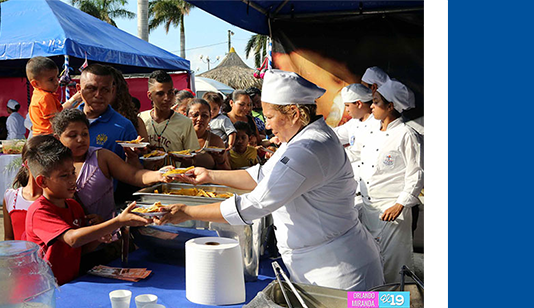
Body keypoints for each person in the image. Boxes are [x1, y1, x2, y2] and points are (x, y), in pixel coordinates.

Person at [156, 69, 384, 291]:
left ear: (294, 112)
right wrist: (210, 175)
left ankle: (402, 302)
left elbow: (256, 203)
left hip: (341, 274)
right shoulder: (298, 140)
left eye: (270, 116)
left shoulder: (308, 148)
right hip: (322, 265)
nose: (267, 125)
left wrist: (187, 212)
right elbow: (261, 176)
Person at [23, 135, 151, 285]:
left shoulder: (73, 206)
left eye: (73, 172)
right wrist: (118, 221)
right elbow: (72, 239)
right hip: (46, 287)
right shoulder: (39, 211)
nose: (72, 180)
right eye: (64, 176)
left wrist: (98, 237)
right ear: (42, 181)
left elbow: (81, 250)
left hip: (72, 281)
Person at [356, 79, 423, 283]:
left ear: (390, 106)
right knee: (371, 263)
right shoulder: (373, 132)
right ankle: (369, 307)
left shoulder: (406, 135)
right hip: (369, 208)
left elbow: (417, 173)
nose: (372, 106)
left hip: (391, 212)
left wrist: (400, 203)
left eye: (376, 102)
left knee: (393, 266)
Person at [52, 108, 168, 222]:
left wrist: (159, 175)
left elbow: (134, 174)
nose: (80, 139)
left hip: (107, 234)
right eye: (72, 135)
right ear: (57, 138)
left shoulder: (101, 157)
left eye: (85, 134)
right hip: (67, 234)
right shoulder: (51, 165)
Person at [76, 64, 139, 160]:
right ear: (79, 89)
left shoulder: (124, 127)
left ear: (112, 91)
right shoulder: (67, 122)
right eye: (91, 88)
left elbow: (135, 170)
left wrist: (133, 158)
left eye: (105, 90)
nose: (98, 95)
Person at [139, 70, 201, 167]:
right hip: (146, 178)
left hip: (175, 180)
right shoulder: (141, 119)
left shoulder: (185, 123)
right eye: (160, 94)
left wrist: (183, 159)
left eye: (170, 92)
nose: (167, 98)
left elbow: (192, 160)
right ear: (150, 96)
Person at [2, 137, 44, 241]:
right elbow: (9, 238)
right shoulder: (11, 197)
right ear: (27, 164)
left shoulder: (58, 198)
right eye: (42, 161)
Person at [186, 99, 230, 170]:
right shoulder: (179, 138)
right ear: (186, 116)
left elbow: (227, 171)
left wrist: (220, 161)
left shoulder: (215, 140)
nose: (200, 119)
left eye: (204, 116)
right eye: (195, 115)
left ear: (210, 118)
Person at [26, 56, 64, 136]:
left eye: (57, 77)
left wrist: (76, 98)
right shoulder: (45, 97)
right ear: (35, 83)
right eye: (51, 80)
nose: (56, 82)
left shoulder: (38, 94)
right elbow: (55, 121)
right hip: (48, 137)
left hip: (38, 137)